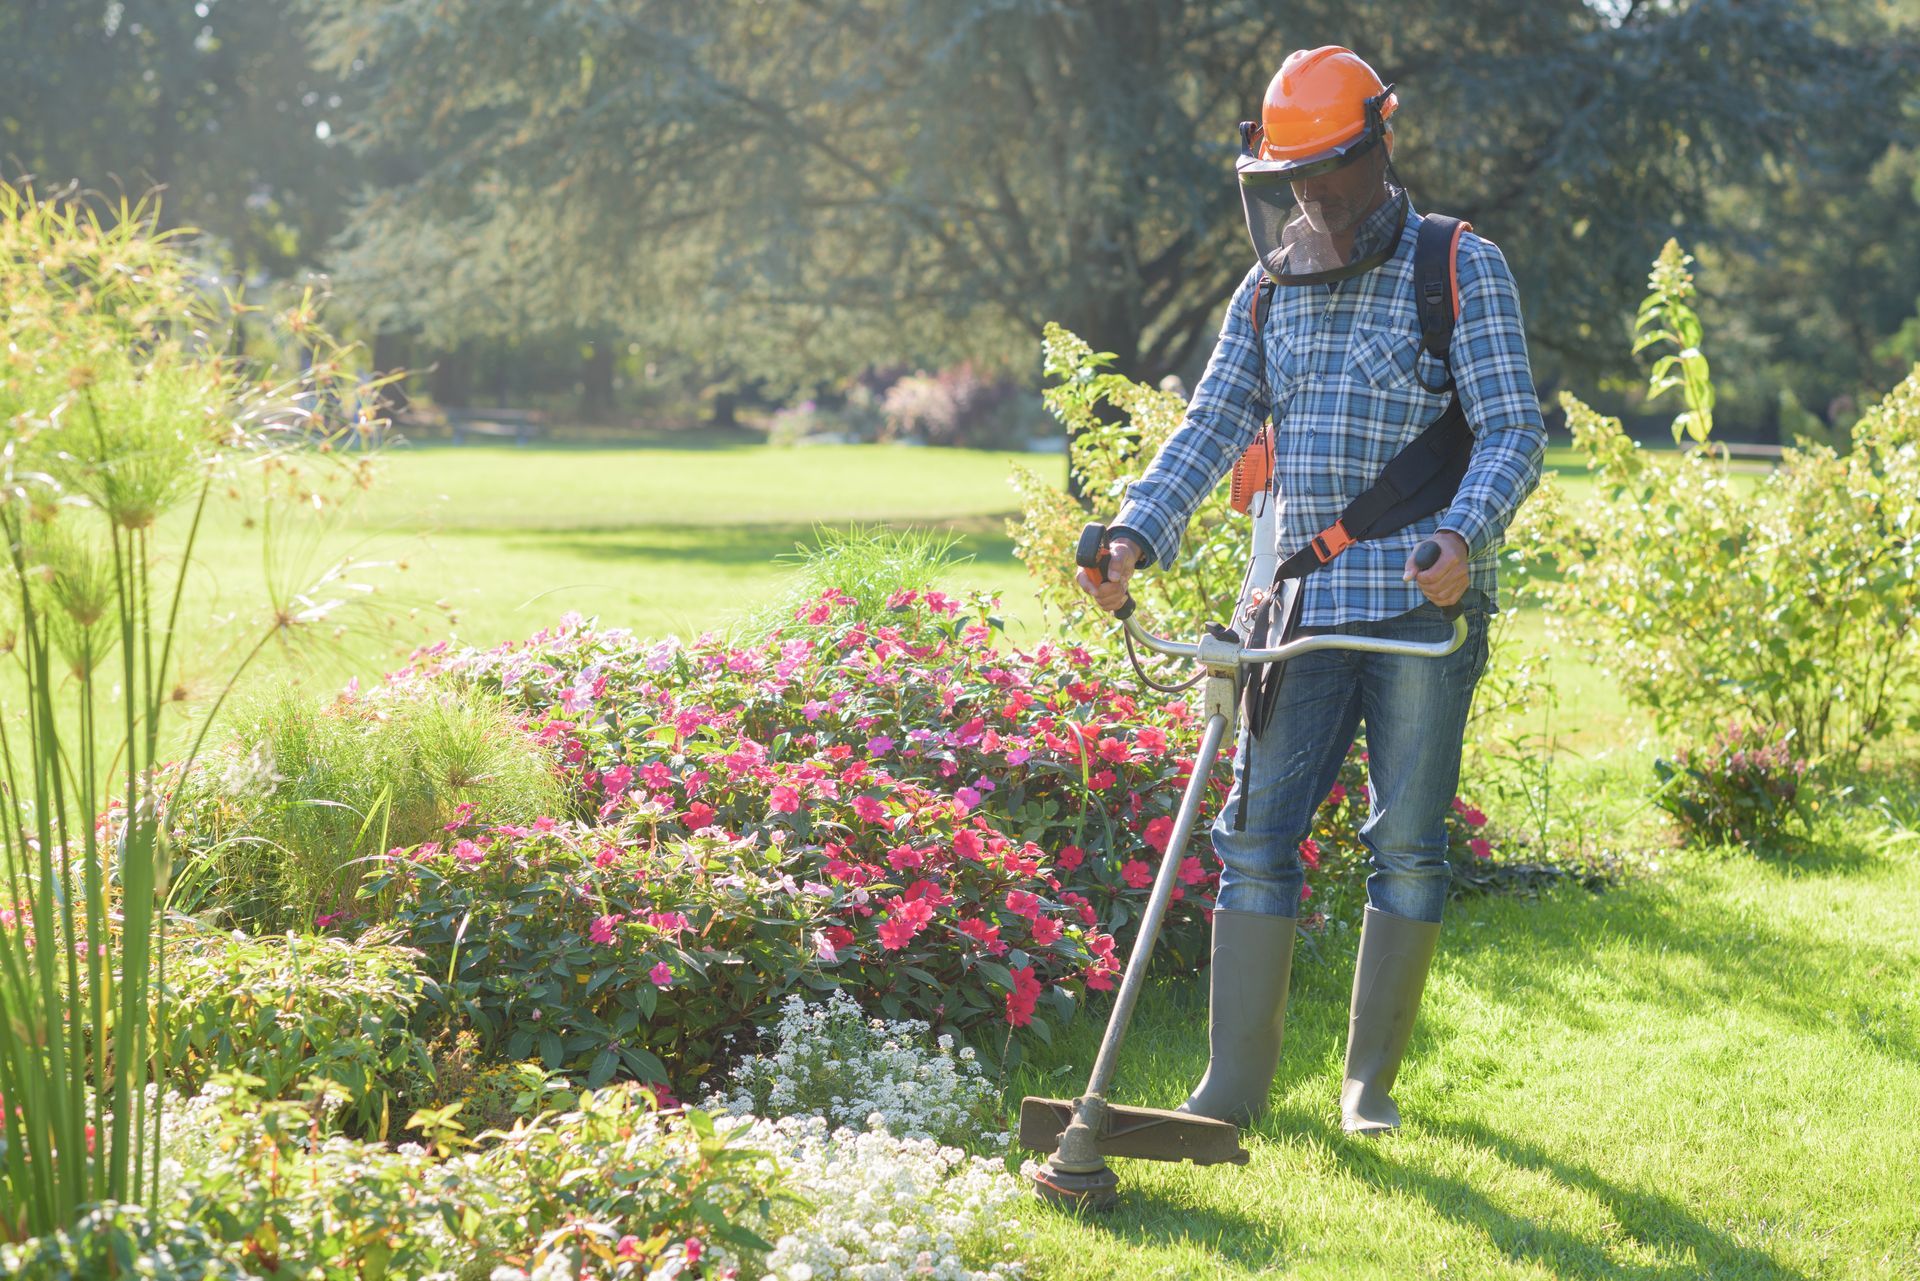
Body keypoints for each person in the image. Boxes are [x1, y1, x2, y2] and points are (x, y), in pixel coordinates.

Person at [1075, 46, 1545, 1135]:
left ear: (1381, 145)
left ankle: (1366, 1086)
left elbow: (1515, 427)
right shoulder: (1266, 288)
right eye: (1294, 177)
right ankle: (1229, 1092)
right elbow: (1211, 425)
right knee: (1253, 834)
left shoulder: (1459, 266)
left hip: (1420, 608)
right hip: (1301, 611)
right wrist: (1138, 531)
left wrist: (1464, 537)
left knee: (1408, 845)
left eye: (1331, 169)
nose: (1314, 195)